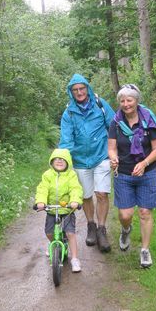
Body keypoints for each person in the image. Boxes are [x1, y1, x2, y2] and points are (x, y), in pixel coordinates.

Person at [107, 84, 156, 268]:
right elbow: (112, 148)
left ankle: (145, 251)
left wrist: (144, 163)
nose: (126, 104)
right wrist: (114, 159)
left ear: (136, 100)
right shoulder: (115, 122)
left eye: (129, 100)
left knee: (145, 212)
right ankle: (126, 229)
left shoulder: (149, 120)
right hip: (123, 174)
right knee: (125, 214)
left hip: (147, 174)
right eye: (122, 101)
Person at [59, 74, 116, 253]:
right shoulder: (68, 113)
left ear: (87, 88)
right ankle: (91, 226)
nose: (79, 92)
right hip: (80, 160)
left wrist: (116, 151)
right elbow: (66, 139)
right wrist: (61, 159)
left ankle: (101, 229)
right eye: (75, 90)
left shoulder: (100, 105)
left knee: (101, 194)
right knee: (86, 196)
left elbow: (113, 126)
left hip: (101, 157)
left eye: (82, 88)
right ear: (71, 92)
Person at [35, 148, 84, 273]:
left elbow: (75, 189)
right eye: (56, 159)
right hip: (52, 210)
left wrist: (74, 201)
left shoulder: (71, 175)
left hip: (67, 210)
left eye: (63, 159)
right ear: (51, 162)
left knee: (70, 233)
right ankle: (54, 245)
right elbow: (43, 189)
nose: (59, 161)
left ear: (68, 162)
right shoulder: (47, 175)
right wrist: (41, 202)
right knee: (49, 233)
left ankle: (74, 259)